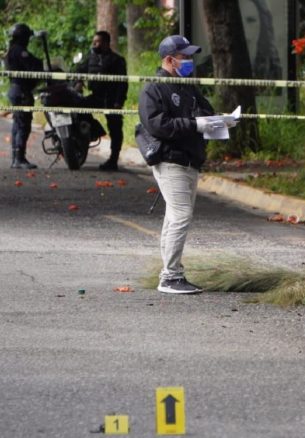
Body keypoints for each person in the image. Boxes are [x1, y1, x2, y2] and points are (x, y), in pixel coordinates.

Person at [138, 35, 234, 294]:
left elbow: (205, 110)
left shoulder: (187, 86)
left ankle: (169, 273)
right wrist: (194, 125)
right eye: (185, 57)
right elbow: (158, 125)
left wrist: (218, 121)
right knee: (181, 216)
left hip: (191, 159)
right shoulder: (154, 89)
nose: (190, 61)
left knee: (174, 217)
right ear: (170, 60)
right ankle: (170, 277)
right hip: (171, 160)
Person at [76, 31, 128, 171]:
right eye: (94, 42)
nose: (94, 44)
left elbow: (123, 83)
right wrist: (78, 81)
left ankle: (113, 160)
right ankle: (94, 131)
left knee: (115, 128)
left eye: (97, 42)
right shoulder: (90, 58)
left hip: (112, 99)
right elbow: (78, 70)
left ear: (106, 43)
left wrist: (119, 102)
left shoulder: (117, 60)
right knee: (77, 108)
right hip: (96, 96)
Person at [4, 23, 42, 169]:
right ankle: (19, 158)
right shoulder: (19, 51)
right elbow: (33, 66)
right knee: (23, 125)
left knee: (18, 124)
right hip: (21, 92)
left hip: (16, 90)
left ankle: (16, 158)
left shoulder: (11, 50)